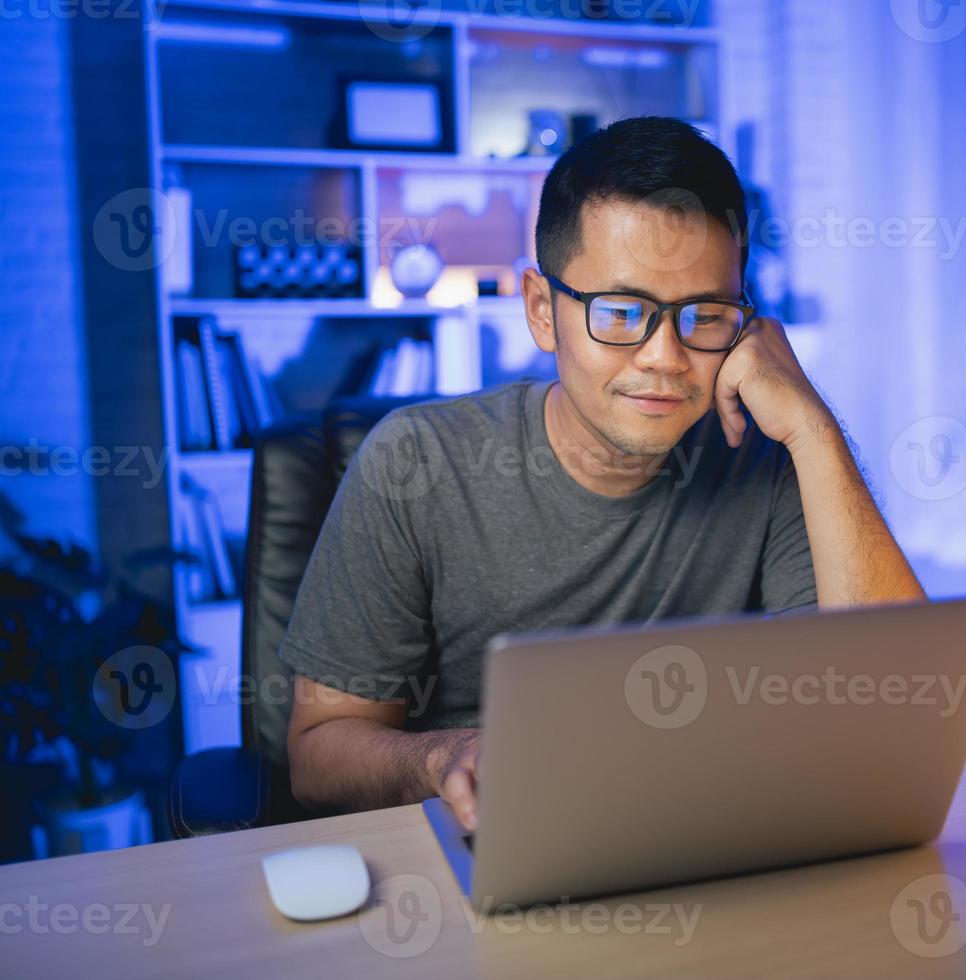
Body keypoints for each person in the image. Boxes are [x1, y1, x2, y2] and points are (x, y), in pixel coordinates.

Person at [282, 117, 926, 830]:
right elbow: (316, 757)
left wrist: (812, 425)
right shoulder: (415, 463)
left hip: (708, 842)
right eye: (621, 312)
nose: (665, 357)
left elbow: (896, 715)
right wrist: (444, 760)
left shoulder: (765, 455)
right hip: (484, 849)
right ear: (541, 312)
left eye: (705, 315)